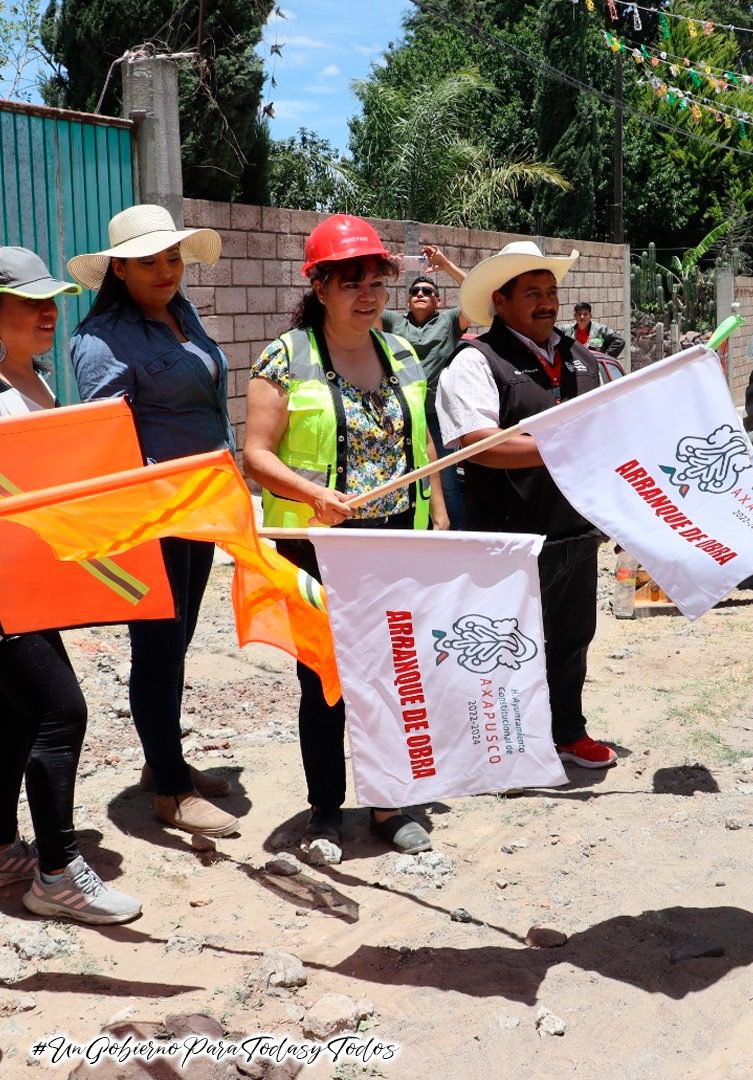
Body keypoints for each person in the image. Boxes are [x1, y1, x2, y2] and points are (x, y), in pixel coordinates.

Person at [244, 214, 447, 862]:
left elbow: (426, 441)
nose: (368, 293)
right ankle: (327, 811)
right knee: (325, 681)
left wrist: (440, 513)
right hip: (317, 546)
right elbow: (255, 454)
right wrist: (312, 495)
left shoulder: (403, 353)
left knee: (393, 676)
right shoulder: (286, 356)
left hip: (394, 541)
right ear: (321, 286)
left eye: (376, 281)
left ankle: (389, 803)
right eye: (350, 280)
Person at [68, 204, 238, 839]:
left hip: (199, 504)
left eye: (172, 257)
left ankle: (163, 762)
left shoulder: (181, 315)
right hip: (153, 514)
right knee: (158, 648)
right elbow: (103, 436)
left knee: (180, 639)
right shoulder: (103, 338)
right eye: (148, 261)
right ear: (120, 269)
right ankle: (170, 789)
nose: (166, 270)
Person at [436, 241, 617, 770]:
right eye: (533, 293)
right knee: (504, 645)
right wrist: (567, 448)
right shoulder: (476, 361)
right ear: (501, 300)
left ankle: (567, 732)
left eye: (552, 292)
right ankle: (503, 747)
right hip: (508, 535)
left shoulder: (581, 358)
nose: (547, 303)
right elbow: (478, 444)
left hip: (574, 531)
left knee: (571, 638)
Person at [0, 246, 141, 923]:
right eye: (28, 302)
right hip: (5, 592)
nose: (46, 313)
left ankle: (4, 849)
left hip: (32, 582)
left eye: (49, 300)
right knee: (62, 714)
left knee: (15, 715)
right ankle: (56, 873)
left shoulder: (35, 381)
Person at [382, 245, 469, 528]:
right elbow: (361, 305)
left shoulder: (449, 322)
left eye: (427, 291)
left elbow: (481, 297)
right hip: (398, 416)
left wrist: (445, 265)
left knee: (446, 483)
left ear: (438, 300)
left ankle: (459, 542)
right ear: (407, 301)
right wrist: (386, 269)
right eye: (414, 291)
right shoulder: (393, 322)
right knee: (398, 481)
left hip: (436, 418)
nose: (420, 294)